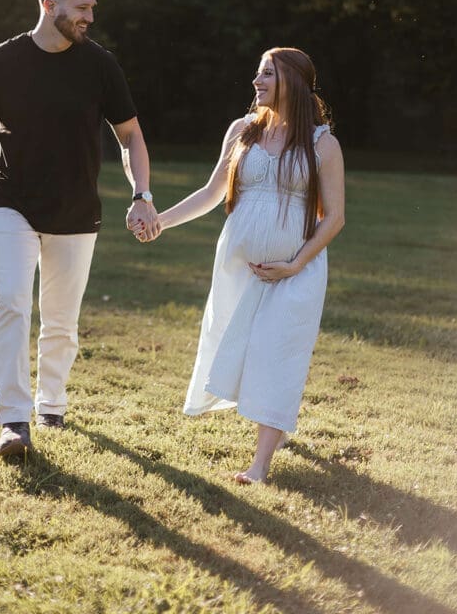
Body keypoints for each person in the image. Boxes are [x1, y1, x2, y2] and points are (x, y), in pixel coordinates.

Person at [0, 0, 160, 459]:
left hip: (76, 206)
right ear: (51, 4)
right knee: (11, 302)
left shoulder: (99, 64)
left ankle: (52, 403)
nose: (89, 17)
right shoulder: (0, 62)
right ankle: (14, 421)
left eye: (91, 8)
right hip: (11, 201)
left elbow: (130, 135)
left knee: (61, 321)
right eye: (82, 7)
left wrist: (142, 194)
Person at [130, 47, 345, 484]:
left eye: (267, 73)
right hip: (239, 266)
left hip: (295, 270)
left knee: (277, 353)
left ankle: (260, 465)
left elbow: (335, 217)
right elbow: (212, 193)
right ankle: (275, 431)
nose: (256, 81)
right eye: (257, 73)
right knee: (241, 346)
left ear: (294, 82)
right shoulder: (242, 130)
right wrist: (161, 221)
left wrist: (294, 264)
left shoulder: (323, 143)